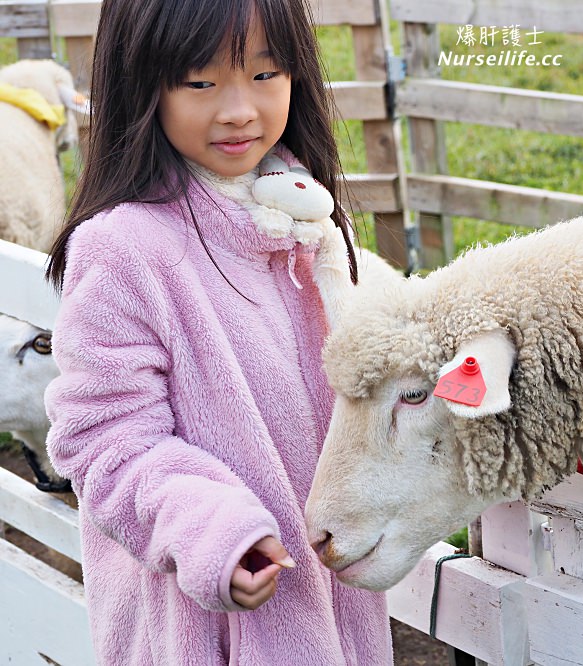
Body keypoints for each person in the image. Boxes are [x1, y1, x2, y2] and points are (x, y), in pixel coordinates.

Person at [43, 0, 392, 663]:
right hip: (210, 630)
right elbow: (104, 441)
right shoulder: (128, 251)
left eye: (265, 75)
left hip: (334, 621)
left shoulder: (309, 225)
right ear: (143, 83)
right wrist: (211, 532)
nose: (238, 109)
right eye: (200, 83)